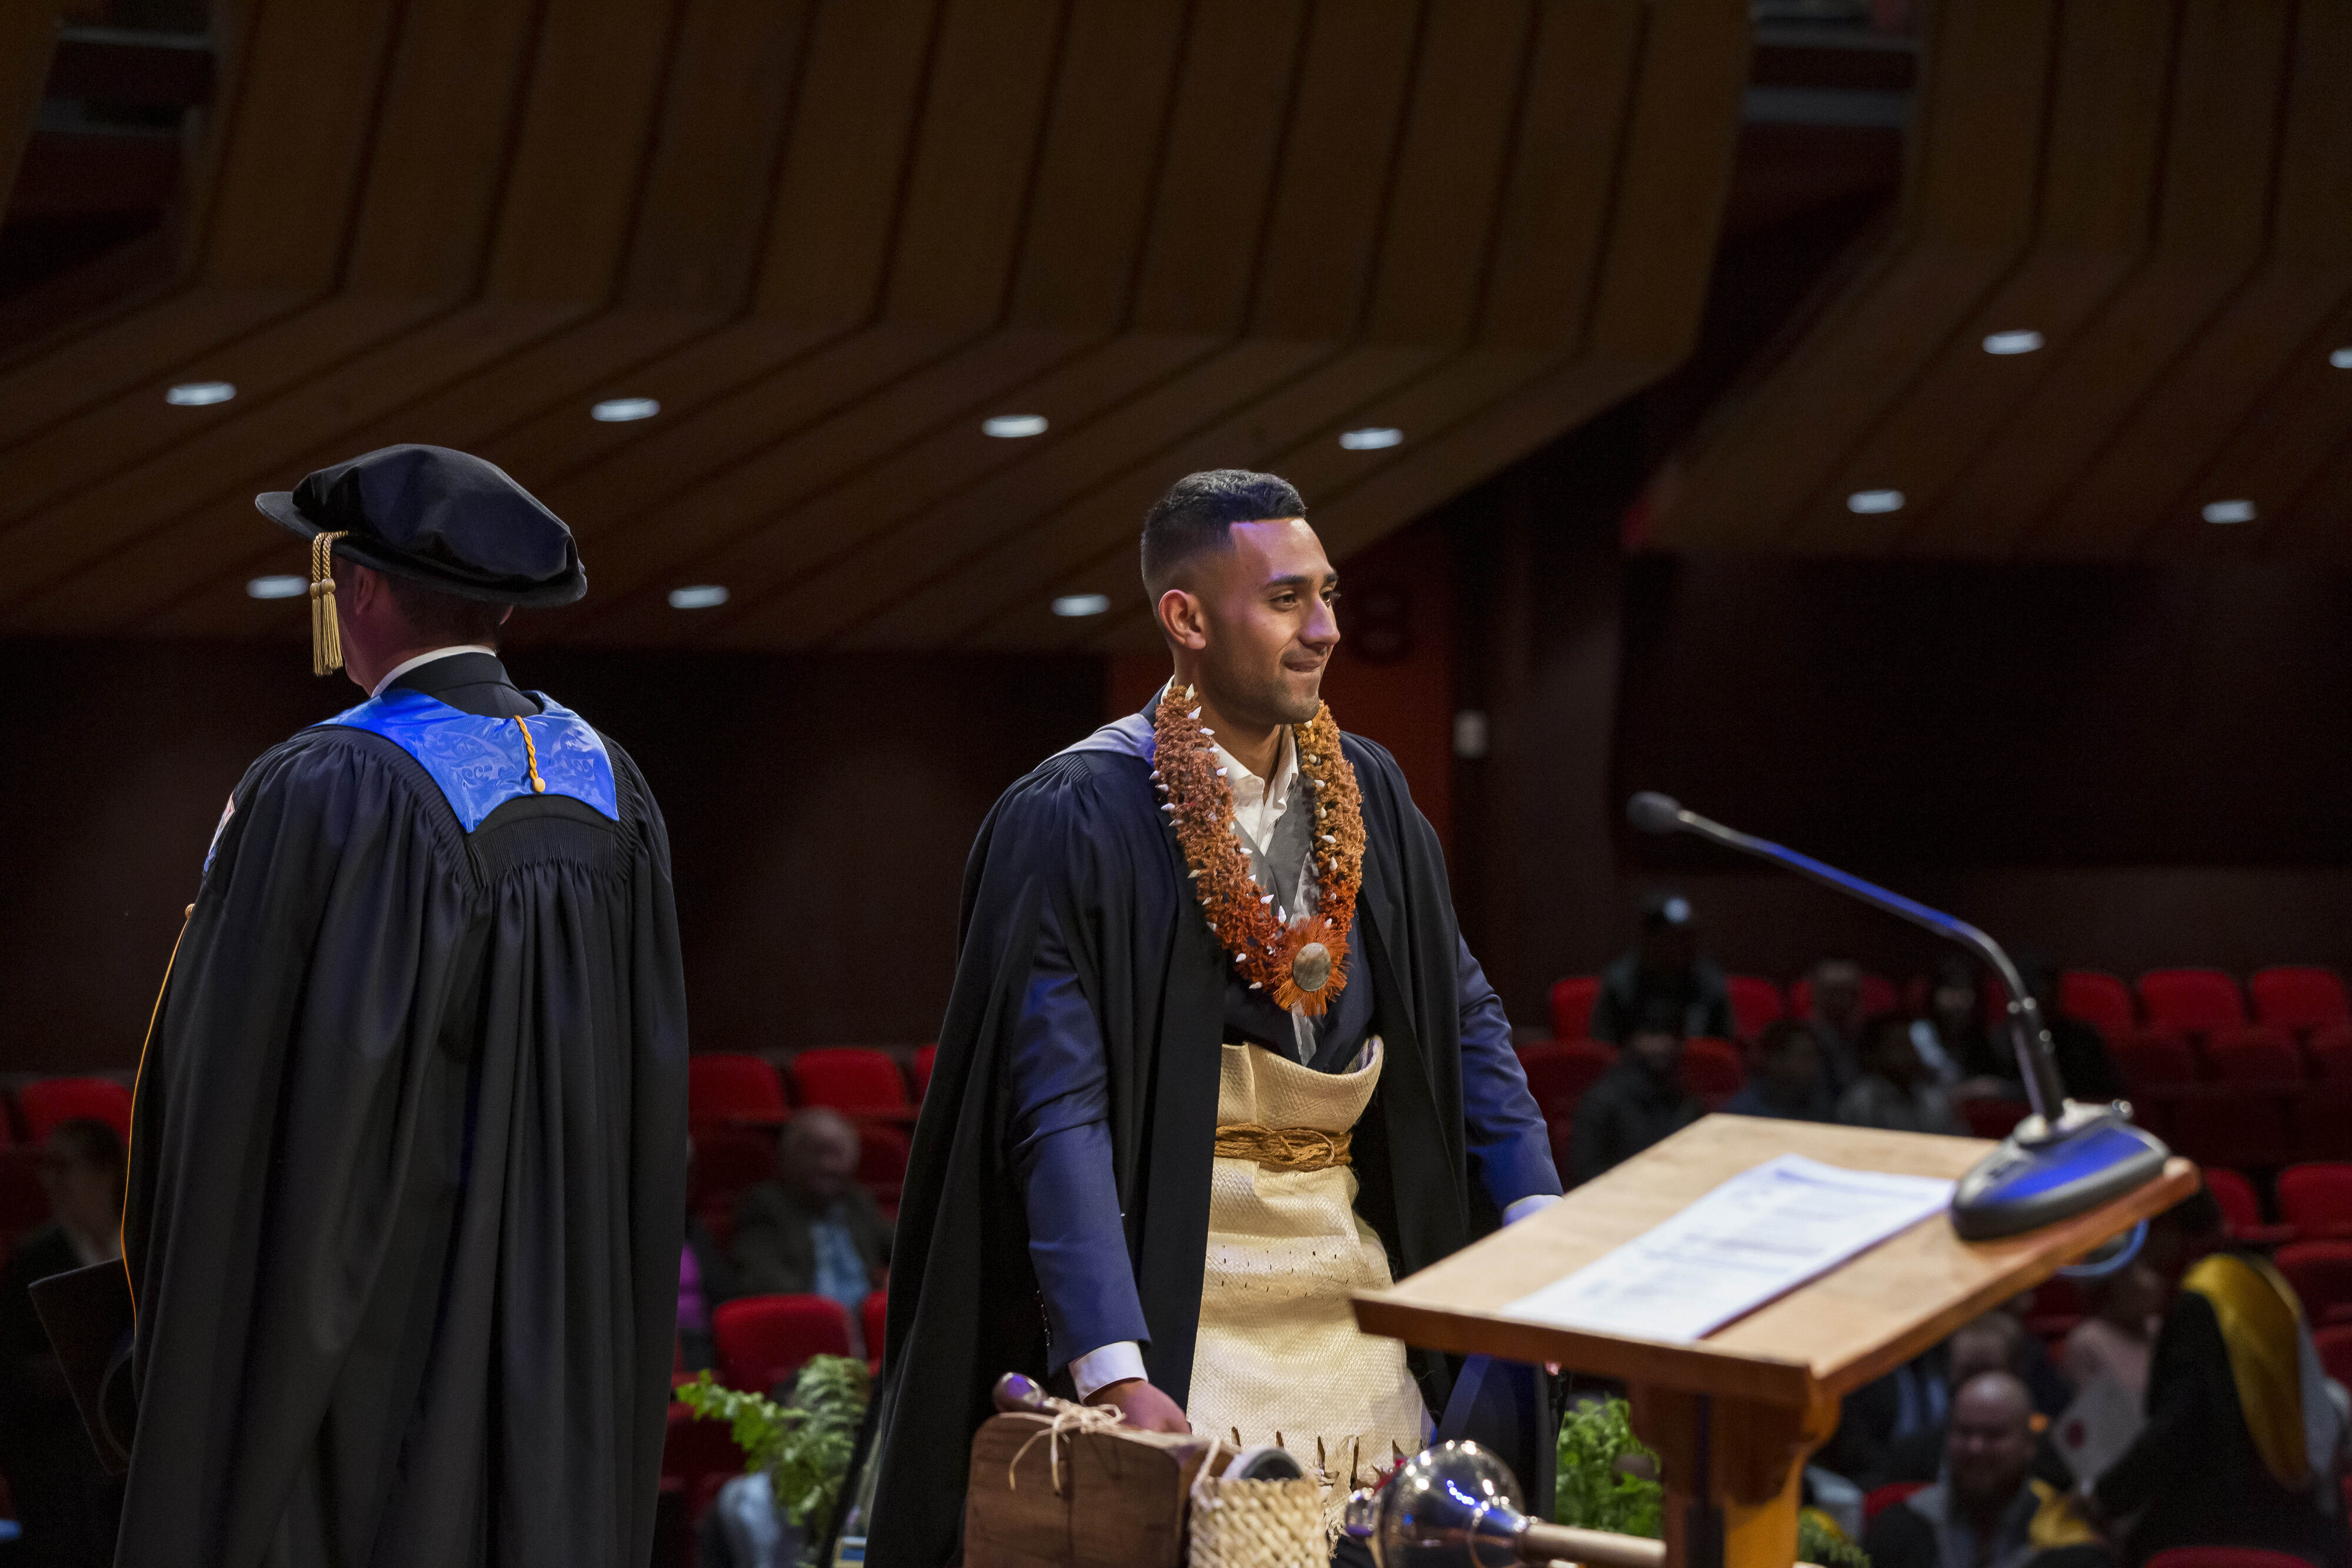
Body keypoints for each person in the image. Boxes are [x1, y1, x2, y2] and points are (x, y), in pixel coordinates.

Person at [860, 469, 1561, 1568]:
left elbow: (1464, 1019)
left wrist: (1536, 1219)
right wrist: (1113, 1369)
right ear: (1183, 618)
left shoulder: (1369, 792)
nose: (1323, 629)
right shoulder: (1076, 816)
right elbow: (1056, 1108)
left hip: (1351, 1292)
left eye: (1326, 595)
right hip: (1175, 1300)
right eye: (1286, 599)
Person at [111, 445, 690, 1568]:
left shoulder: (329, 785)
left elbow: (230, 1095)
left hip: (379, 1349)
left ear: (358, 588)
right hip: (556, 1331)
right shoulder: (614, 787)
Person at [2087, 1246, 2349, 1566]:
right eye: (2138, 1270)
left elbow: (2181, 1422)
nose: (2152, 1277)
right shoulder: (2253, 1276)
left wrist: (2110, 1496)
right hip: (2251, 1497)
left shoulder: (2188, 1310)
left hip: (2211, 1503)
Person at [0, 1119, 128, 1567]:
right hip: (65, 1431)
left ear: (105, 1171)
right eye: (45, 1166)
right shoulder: (34, 1259)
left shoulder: (145, 1242)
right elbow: (9, 1371)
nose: (47, 1179)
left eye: (62, 1166)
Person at [1862, 1371, 2104, 1568]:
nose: (1975, 1447)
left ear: (2030, 1445)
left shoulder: (2070, 1544)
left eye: (1994, 1435)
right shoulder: (1899, 1528)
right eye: (1964, 1432)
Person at [730, 1109, 891, 1325]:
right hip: (804, 1327)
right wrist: (826, 1315)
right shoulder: (766, 1206)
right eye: (817, 1153)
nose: (827, 1165)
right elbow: (763, 1281)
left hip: (867, 1326)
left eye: (837, 1154)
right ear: (788, 1157)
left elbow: (903, 1245)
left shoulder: (857, 1202)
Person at [1570, 1016, 1704, 1182]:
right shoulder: (1603, 1101)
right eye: (1651, 1035)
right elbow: (1586, 1172)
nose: (1661, 1045)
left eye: (1668, 1036)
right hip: (1618, 1198)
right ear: (1632, 1041)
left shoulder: (1685, 1100)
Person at [1589, 893, 1733, 1044]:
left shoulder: (1708, 981)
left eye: (1687, 937)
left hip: (1693, 1066)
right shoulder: (1621, 982)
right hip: (1633, 1065)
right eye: (1671, 938)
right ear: (1648, 940)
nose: (1682, 946)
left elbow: (1725, 1048)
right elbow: (1602, 1048)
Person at [1838, 1012, 1970, 1136]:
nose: (1910, 1054)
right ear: (1876, 1053)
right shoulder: (1859, 1104)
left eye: (1911, 1045)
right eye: (1899, 1045)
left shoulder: (1934, 1101)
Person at [2058, 1260, 2164, 1403]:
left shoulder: (2160, 1329)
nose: (2151, 1281)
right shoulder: (2087, 1341)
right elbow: (2092, 1410)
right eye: (2127, 1275)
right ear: (2112, 1287)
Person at [1723, 1017, 1835, 1122]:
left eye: (1814, 1058)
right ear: (1776, 1060)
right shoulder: (1743, 1113)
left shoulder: (1822, 1105)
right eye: (1804, 1057)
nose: (1813, 1066)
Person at [1805, 959, 1869, 1094]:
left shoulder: (1872, 1039)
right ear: (1816, 995)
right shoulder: (1804, 1039)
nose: (1841, 1001)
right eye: (1833, 993)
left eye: (1849, 993)